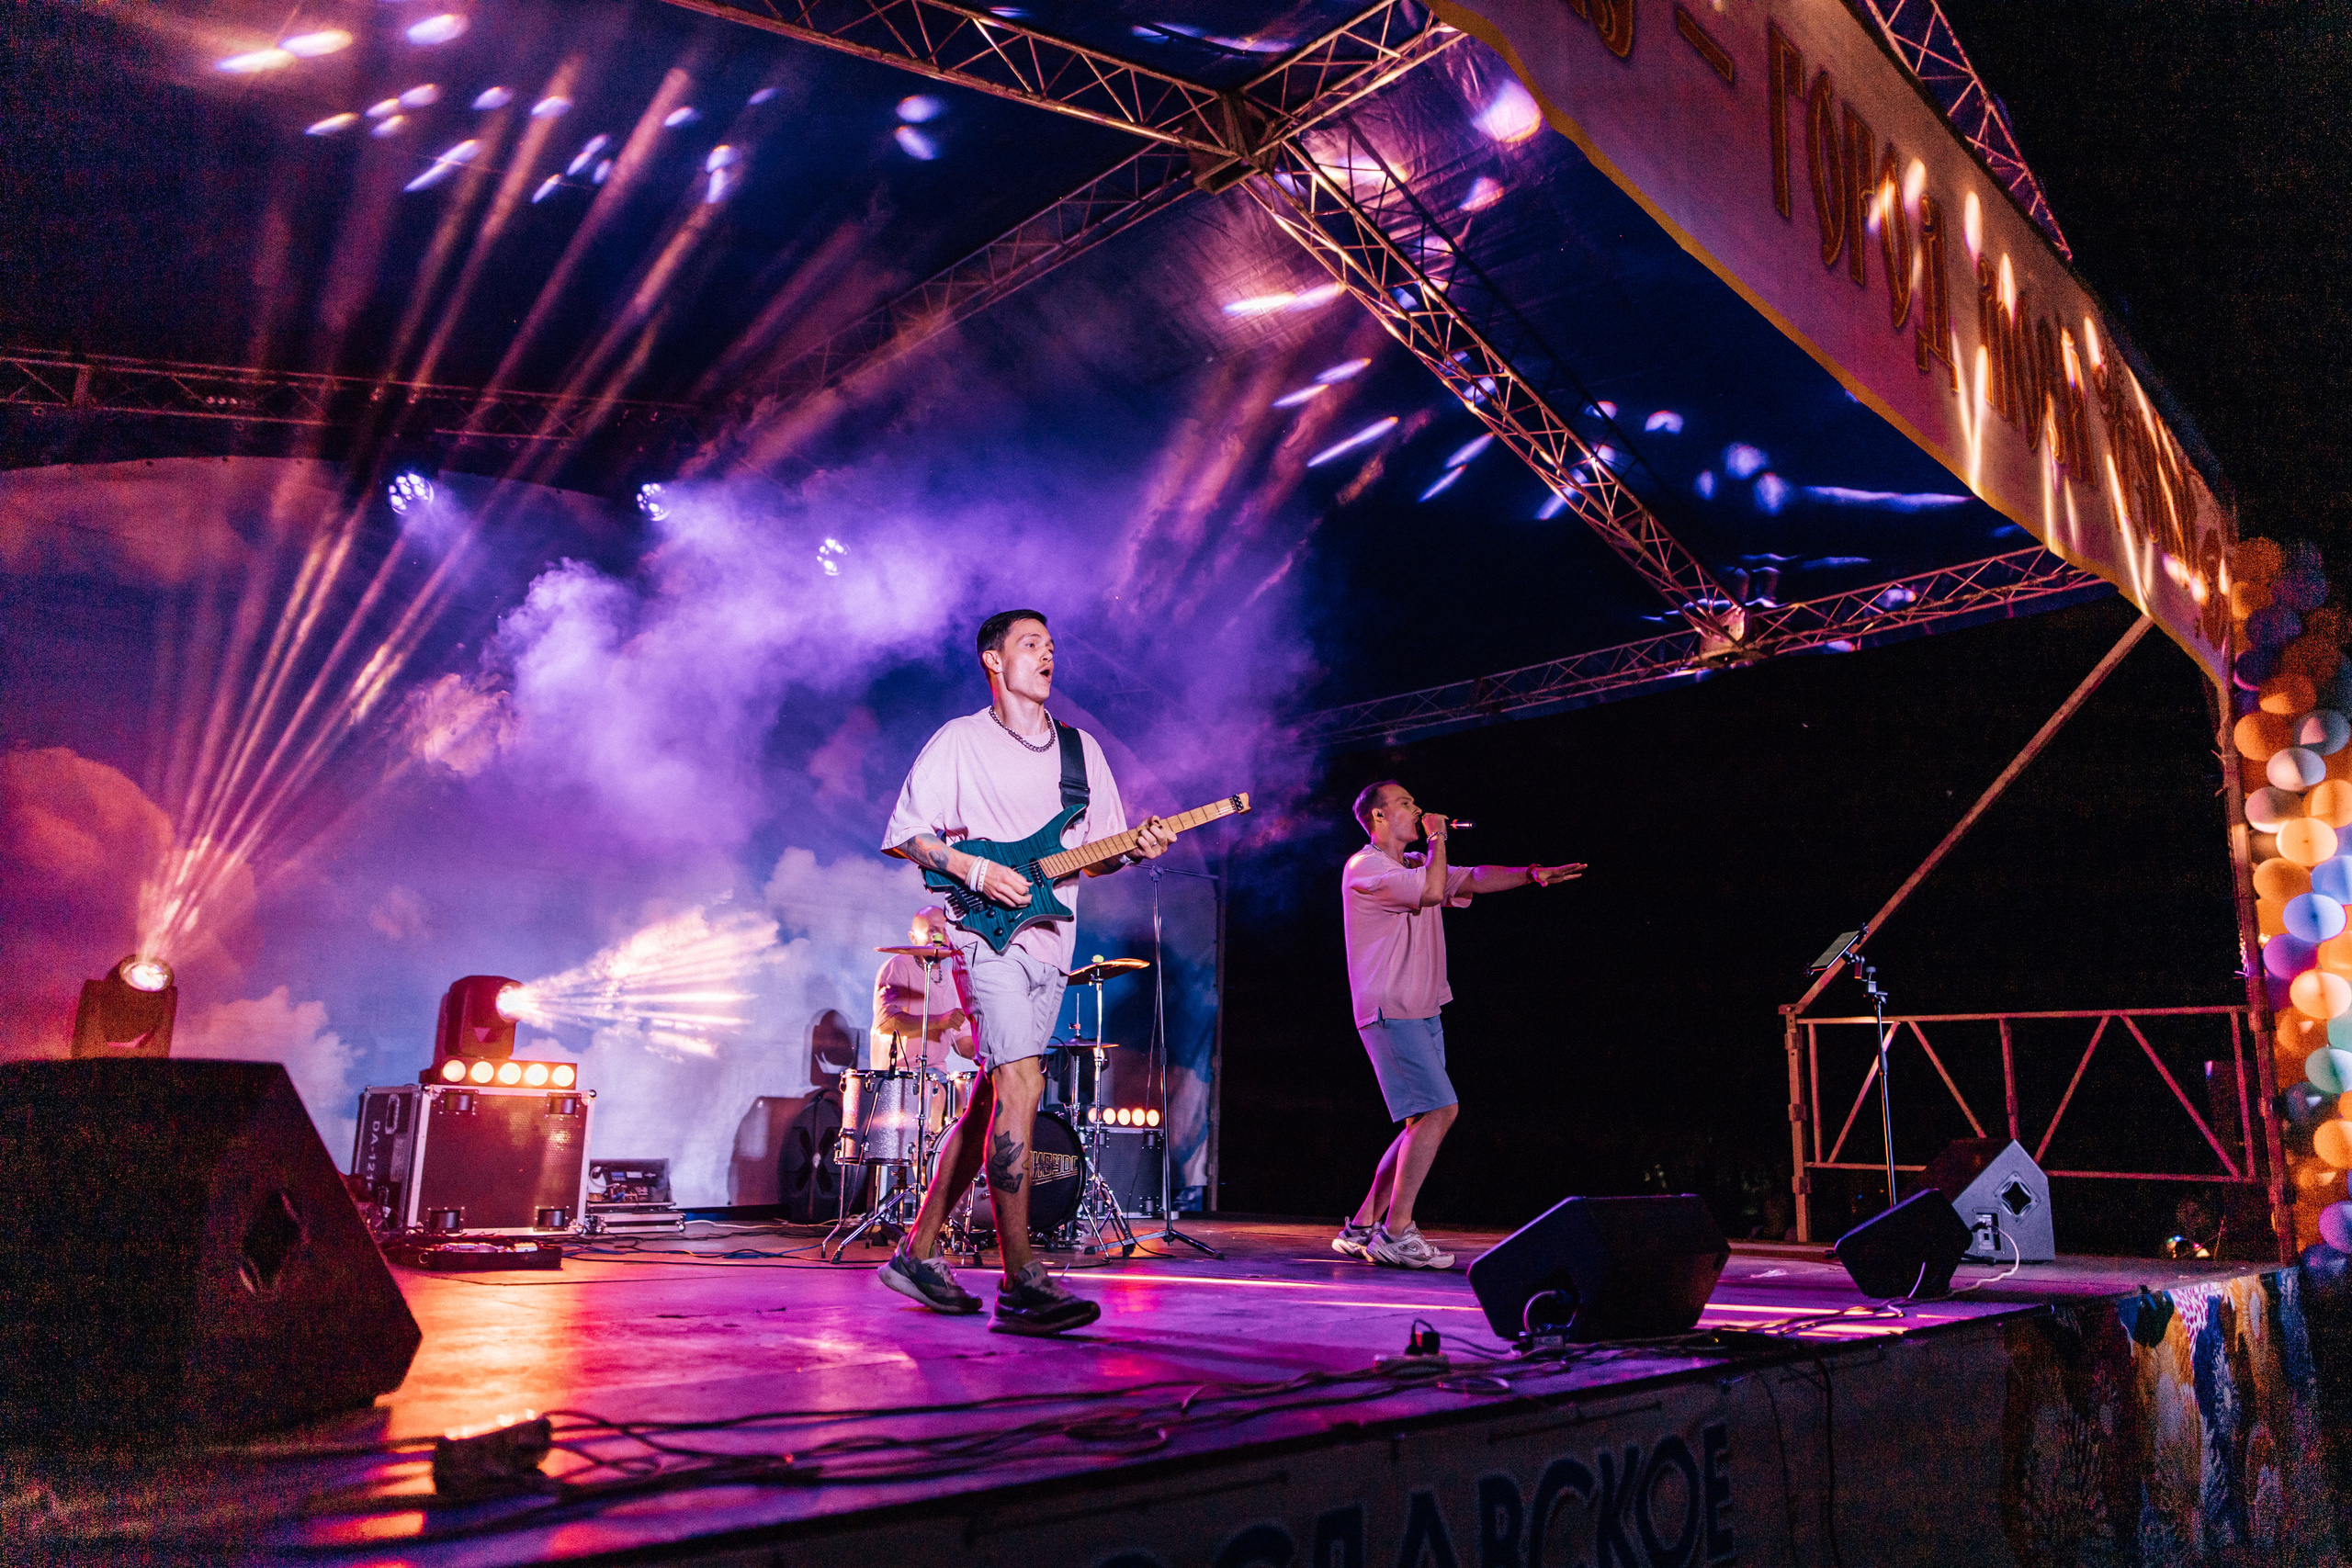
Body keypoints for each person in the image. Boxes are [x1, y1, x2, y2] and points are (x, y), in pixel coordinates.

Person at [876, 609, 1173, 1334]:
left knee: (988, 1097)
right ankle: (1021, 1280)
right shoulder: (960, 739)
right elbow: (904, 834)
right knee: (1021, 1084)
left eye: (1051, 645)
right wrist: (974, 865)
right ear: (993, 660)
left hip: (1049, 941)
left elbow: (1096, 850)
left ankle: (916, 1253)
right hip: (984, 934)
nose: (1047, 655)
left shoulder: (1082, 751)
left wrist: (1134, 849)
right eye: (1030, 644)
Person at [1335, 780, 1583, 1269]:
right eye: (1406, 803)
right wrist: (1437, 838)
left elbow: (1472, 879)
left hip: (1422, 1007)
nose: (1418, 807)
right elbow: (1433, 890)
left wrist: (1532, 874)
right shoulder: (1367, 867)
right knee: (1441, 1110)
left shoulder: (1411, 865)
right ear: (1379, 817)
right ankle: (1396, 1231)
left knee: (1420, 1119)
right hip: (1390, 1008)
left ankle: (1364, 1223)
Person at [871, 906, 976, 1076]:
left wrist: (994, 1053)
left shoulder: (952, 977)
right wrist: (940, 1021)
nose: (941, 937)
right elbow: (886, 1024)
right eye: (933, 931)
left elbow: (963, 1040)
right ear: (913, 937)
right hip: (898, 1075)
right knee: (934, 1098)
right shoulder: (898, 966)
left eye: (945, 931)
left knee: (967, 1095)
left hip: (936, 1074)